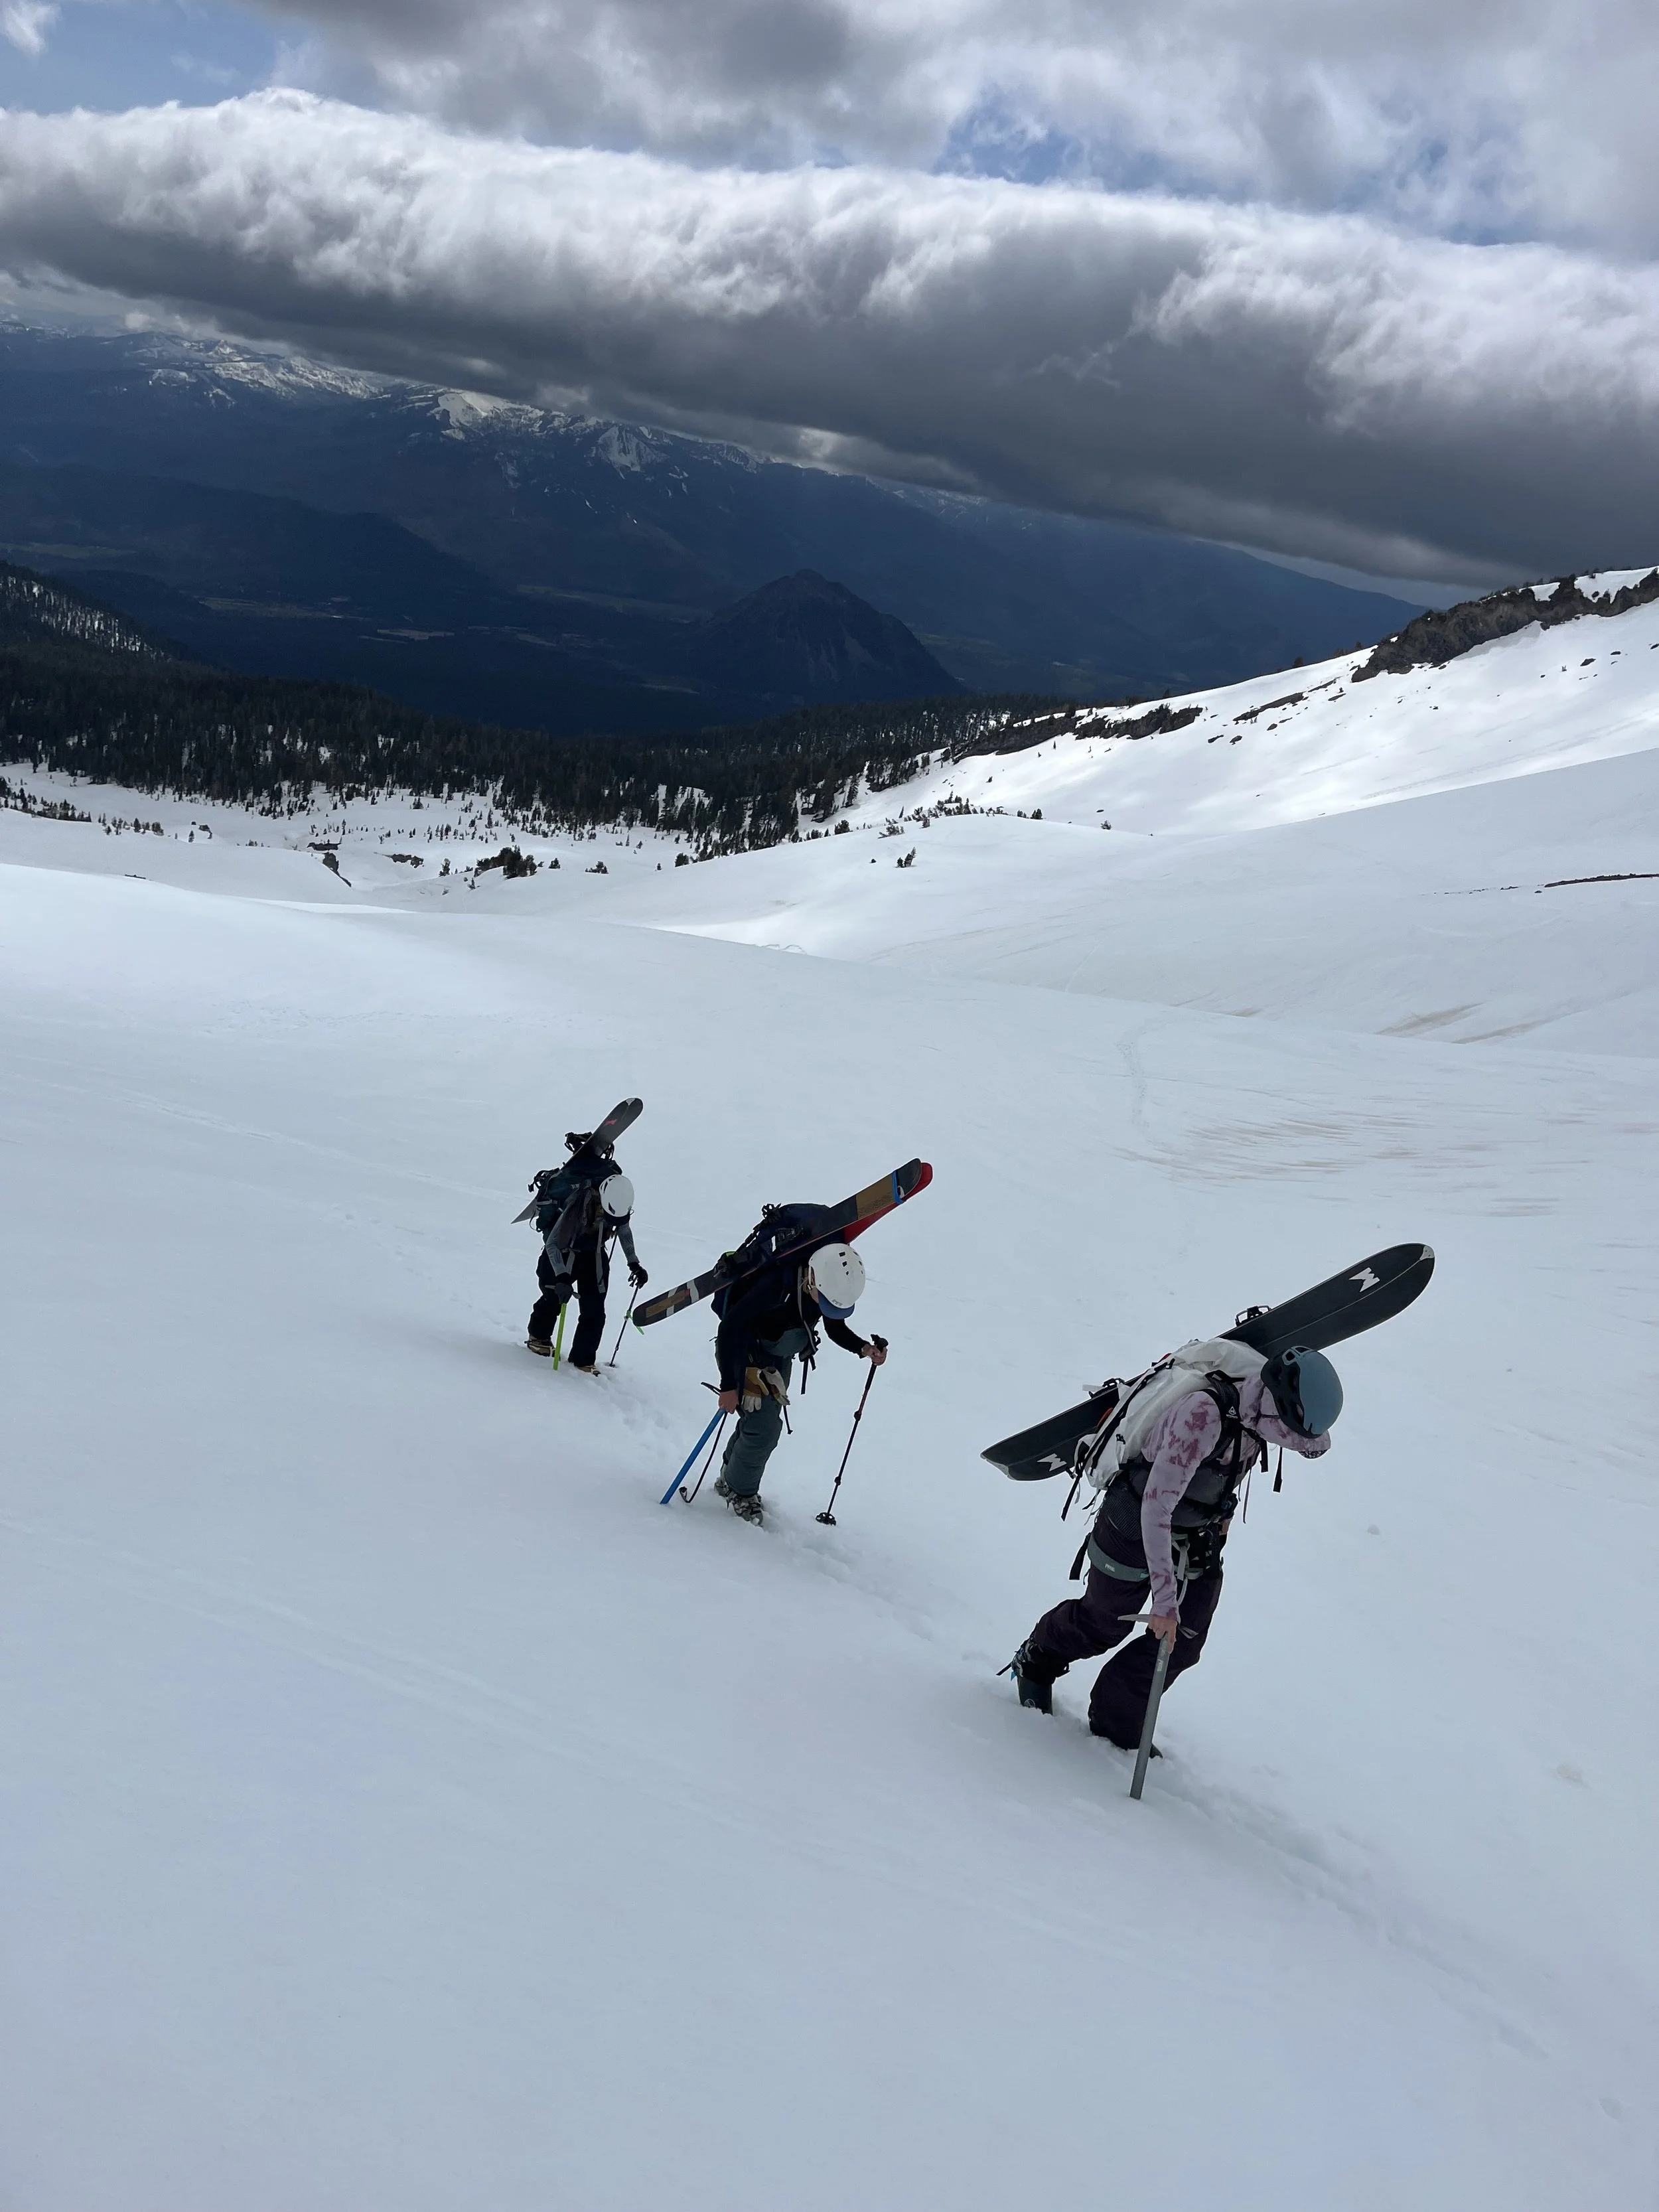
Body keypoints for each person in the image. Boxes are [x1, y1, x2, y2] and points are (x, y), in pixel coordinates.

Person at [1006, 1342, 1342, 1746]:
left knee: (1184, 1640)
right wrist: (1164, 1603)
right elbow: (1156, 1506)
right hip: (1135, 1521)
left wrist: (1222, 1521)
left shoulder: (1262, 1416)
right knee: (1104, 1623)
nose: (1295, 1442)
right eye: (1292, 1431)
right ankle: (1037, 1661)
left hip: (1196, 1530)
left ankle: (1116, 1723)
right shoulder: (1201, 1416)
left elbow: (1273, 1456)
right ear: (1278, 1406)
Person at [711, 1240, 887, 1522]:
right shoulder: (773, 1287)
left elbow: (834, 1325)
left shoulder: (822, 1286)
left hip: (779, 1357)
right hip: (747, 1356)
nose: (828, 1308)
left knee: (757, 1423)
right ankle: (739, 1491)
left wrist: (864, 1348)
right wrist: (729, 1386)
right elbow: (729, 1328)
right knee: (764, 1429)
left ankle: (729, 1480)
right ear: (812, 1278)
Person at [525, 1132, 648, 1370]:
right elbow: (552, 1243)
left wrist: (634, 1264)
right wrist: (561, 1277)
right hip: (563, 1252)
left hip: (594, 1254)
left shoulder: (619, 1199)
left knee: (595, 1310)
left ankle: (583, 1360)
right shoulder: (579, 1200)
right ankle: (538, 1338)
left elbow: (624, 1230)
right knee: (553, 1297)